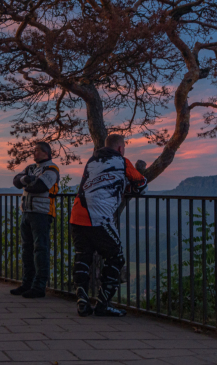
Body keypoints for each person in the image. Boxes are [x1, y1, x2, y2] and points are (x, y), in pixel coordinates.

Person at [70, 134, 147, 316]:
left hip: (77, 214)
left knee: (83, 256)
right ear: (120, 148)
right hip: (98, 218)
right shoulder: (121, 161)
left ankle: (82, 300)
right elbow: (142, 185)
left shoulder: (91, 161)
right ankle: (103, 304)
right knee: (116, 258)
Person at [10, 142, 60, 299]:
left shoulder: (52, 169)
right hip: (27, 212)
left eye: (37, 150)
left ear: (46, 153)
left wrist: (25, 183)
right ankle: (27, 284)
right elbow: (16, 181)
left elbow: (40, 186)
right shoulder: (31, 168)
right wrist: (26, 179)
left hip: (42, 213)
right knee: (27, 250)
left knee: (40, 250)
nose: (34, 153)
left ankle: (39, 286)